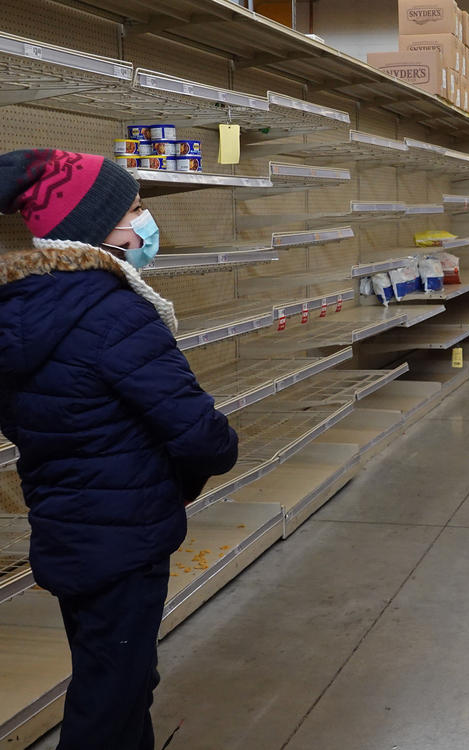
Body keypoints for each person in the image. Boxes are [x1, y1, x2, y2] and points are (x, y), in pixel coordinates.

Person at [0, 149, 239, 750]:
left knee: (118, 676)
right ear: (92, 229)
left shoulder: (22, 311)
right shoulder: (114, 312)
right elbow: (201, 437)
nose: (147, 220)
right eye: (134, 208)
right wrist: (189, 468)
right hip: (124, 538)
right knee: (109, 698)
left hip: (67, 529)